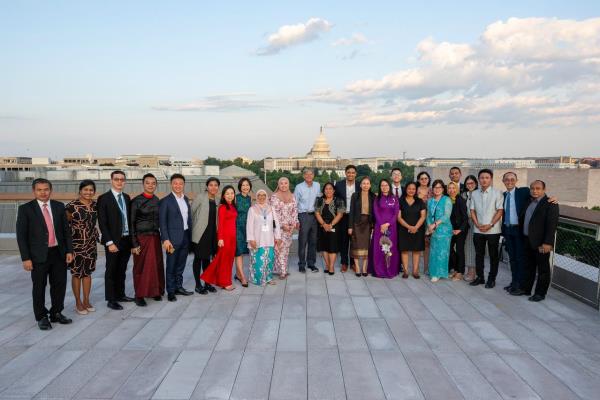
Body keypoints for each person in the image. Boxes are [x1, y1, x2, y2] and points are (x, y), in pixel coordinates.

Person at [17, 178, 73, 330]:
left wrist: (69, 250)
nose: (43, 192)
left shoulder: (59, 206)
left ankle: (56, 313)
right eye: (39, 189)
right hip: (37, 255)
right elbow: (21, 236)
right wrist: (26, 258)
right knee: (39, 287)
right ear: (34, 191)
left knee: (59, 285)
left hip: (58, 253)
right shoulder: (25, 209)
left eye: (46, 189)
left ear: (50, 190)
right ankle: (41, 316)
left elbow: (66, 231)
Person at [97, 170, 133, 310]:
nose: (119, 182)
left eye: (122, 179)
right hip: (113, 241)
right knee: (111, 270)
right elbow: (102, 222)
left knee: (122, 269)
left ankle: (120, 294)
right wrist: (109, 242)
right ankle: (111, 299)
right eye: (116, 179)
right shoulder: (104, 198)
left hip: (126, 239)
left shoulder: (127, 197)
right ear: (111, 181)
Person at [520, 180, 559, 302]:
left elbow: (552, 225)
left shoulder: (550, 204)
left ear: (544, 189)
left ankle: (540, 293)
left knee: (543, 269)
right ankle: (526, 289)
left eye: (538, 188)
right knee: (528, 267)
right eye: (532, 188)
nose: (534, 191)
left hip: (541, 242)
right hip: (527, 239)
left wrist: (548, 243)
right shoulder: (528, 201)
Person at [130, 173, 164, 306]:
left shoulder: (157, 200)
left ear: (156, 185)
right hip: (141, 237)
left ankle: (155, 291)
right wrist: (134, 243)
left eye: (153, 183)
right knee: (141, 267)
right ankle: (139, 294)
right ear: (143, 184)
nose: (150, 185)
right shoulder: (136, 201)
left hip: (155, 237)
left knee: (156, 265)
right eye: (148, 183)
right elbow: (131, 222)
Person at [65, 179, 99, 315]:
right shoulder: (71, 206)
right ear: (80, 191)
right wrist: (68, 248)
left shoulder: (95, 205)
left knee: (88, 273)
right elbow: (64, 228)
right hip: (76, 244)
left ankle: (86, 300)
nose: (88, 192)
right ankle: (78, 301)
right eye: (85, 189)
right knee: (77, 273)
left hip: (90, 243)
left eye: (91, 190)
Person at [159, 173, 193, 302]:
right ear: (171, 184)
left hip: (185, 236)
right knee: (171, 265)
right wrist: (165, 239)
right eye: (175, 183)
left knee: (181, 265)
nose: (178, 185)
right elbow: (162, 223)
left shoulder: (185, 199)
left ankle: (179, 287)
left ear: (184, 185)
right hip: (172, 240)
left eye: (180, 183)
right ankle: (171, 291)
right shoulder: (165, 201)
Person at [469, 169, 504, 288]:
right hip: (478, 229)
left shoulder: (497, 193)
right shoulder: (474, 193)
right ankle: (480, 277)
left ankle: (491, 279)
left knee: (493, 256)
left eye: (487, 177)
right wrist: (477, 224)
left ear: (491, 179)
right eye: (482, 177)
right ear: (478, 179)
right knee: (479, 255)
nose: (484, 179)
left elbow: (500, 211)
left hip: (493, 230)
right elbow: (472, 210)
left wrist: (490, 224)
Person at [201, 185, 237, 290]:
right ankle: (224, 282)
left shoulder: (233, 206)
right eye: (227, 193)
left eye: (232, 193)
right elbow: (220, 224)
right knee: (223, 260)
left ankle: (224, 281)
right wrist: (220, 238)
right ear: (223, 196)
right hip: (224, 238)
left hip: (232, 237)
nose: (230, 195)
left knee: (229, 260)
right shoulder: (222, 207)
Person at [501, 172, 530, 295]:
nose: (509, 181)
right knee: (512, 259)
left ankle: (520, 285)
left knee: (520, 258)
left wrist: (552, 198)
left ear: (516, 180)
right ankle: (514, 282)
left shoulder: (523, 192)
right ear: (503, 181)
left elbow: (538, 194)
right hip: (508, 230)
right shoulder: (503, 195)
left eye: (512, 179)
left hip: (519, 230)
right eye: (507, 179)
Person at [191, 177, 220, 295]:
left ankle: (207, 283)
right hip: (200, 233)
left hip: (212, 233)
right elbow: (191, 213)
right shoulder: (200, 197)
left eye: (215, 185)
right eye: (211, 185)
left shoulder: (217, 200)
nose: (213, 187)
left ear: (218, 187)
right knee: (198, 258)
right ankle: (198, 284)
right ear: (207, 186)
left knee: (207, 259)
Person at [246, 189, 282, 285]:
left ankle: (268, 278)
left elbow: (276, 224)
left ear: (266, 197)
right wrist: (251, 239)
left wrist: (278, 237)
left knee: (269, 259)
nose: (261, 197)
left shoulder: (271, 209)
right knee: (257, 261)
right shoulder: (252, 209)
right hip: (257, 239)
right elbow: (249, 225)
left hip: (269, 239)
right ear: (257, 197)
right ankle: (257, 279)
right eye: (259, 195)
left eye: (263, 195)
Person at [371, 179, 400, 278]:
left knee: (390, 249)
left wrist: (387, 224)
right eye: (382, 185)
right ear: (380, 187)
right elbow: (376, 213)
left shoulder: (394, 198)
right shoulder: (377, 199)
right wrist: (382, 225)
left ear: (389, 186)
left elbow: (395, 214)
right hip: (379, 227)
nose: (384, 187)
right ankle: (379, 270)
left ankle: (390, 270)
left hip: (391, 228)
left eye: (386, 185)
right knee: (379, 249)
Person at [270, 177, 298, 279]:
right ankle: (282, 272)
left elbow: (295, 211)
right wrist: (282, 226)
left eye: (286, 183)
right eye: (281, 183)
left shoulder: (293, 196)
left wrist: (293, 224)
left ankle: (282, 269)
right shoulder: (274, 197)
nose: (283, 185)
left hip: (289, 229)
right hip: (279, 229)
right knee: (279, 249)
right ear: (278, 185)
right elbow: (274, 214)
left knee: (285, 250)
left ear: (288, 184)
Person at [315, 182, 345, 275]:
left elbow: (340, 214)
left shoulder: (339, 200)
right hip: (322, 225)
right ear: (324, 191)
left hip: (335, 226)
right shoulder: (319, 200)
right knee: (324, 246)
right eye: (326, 189)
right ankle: (327, 265)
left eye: (330, 189)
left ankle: (331, 266)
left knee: (332, 247)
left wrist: (331, 225)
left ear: (334, 190)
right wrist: (324, 224)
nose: (328, 190)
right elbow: (317, 213)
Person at [426, 180, 453, 282]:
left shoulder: (447, 200)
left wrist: (435, 224)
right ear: (432, 189)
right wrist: (429, 226)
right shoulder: (430, 201)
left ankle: (439, 273)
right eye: (435, 187)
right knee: (433, 251)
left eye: (439, 188)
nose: (437, 189)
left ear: (443, 189)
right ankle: (433, 271)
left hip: (444, 230)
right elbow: (428, 215)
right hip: (433, 230)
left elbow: (446, 216)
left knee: (442, 252)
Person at [294, 168, 321, 273]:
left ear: (313, 175)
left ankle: (311, 263)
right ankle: (301, 264)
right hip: (303, 216)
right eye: (307, 174)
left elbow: (319, 200)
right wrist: (296, 219)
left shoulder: (317, 185)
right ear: (303, 176)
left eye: (311, 174)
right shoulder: (299, 187)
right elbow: (295, 204)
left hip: (315, 215)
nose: (309, 176)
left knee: (313, 242)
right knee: (303, 241)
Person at [398, 182, 427, 278]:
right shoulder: (400, 201)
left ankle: (415, 271)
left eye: (413, 189)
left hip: (418, 229)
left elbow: (423, 216)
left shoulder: (420, 201)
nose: (411, 190)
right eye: (409, 188)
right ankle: (406, 271)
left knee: (416, 250)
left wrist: (415, 227)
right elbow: (399, 217)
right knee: (404, 250)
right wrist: (409, 227)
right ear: (406, 189)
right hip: (403, 229)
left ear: (416, 190)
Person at [334, 165, 360, 273]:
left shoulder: (359, 185)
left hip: (356, 217)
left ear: (356, 174)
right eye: (348, 172)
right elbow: (335, 199)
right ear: (345, 173)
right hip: (343, 216)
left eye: (353, 172)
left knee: (354, 241)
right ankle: (344, 263)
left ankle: (353, 263)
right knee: (343, 240)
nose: (350, 174)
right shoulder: (339, 185)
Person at [348, 176, 375, 277]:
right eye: (364, 183)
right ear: (360, 185)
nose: (365, 185)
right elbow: (351, 212)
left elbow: (375, 212)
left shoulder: (373, 196)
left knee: (366, 245)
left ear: (370, 185)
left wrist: (374, 225)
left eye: (367, 183)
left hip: (368, 223)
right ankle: (357, 267)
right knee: (356, 245)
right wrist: (350, 226)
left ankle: (364, 267)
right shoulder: (355, 195)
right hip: (356, 223)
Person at [447, 181, 469, 281]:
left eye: (453, 188)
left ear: (457, 189)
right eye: (449, 188)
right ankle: (456, 269)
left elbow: (465, 218)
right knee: (450, 249)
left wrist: (459, 229)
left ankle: (460, 272)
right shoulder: (447, 200)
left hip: (461, 229)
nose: (452, 190)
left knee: (460, 250)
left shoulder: (461, 200)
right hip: (451, 229)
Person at [234, 178, 252, 287]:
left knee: (241, 251)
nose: (245, 187)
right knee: (238, 252)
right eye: (243, 185)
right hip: (237, 228)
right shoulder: (236, 198)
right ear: (240, 186)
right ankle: (242, 277)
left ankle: (237, 274)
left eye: (247, 185)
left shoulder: (250, 198)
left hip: (247, 228)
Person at [461, 175, 478, 281]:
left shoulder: (479, 194)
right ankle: (468, 270)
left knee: (474, 248)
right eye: (468, 183)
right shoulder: (463, 195)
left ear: (476, 184)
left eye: (472, 183)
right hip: (466, 223)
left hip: (476, 223)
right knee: (467, 248)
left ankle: (473, 272)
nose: (470, 185)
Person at [416, 171, 433, 274]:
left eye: (426, 178)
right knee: (417, 245)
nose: (424, 180)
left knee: (427, 245)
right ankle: (415, 268)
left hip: (429, 221)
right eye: (421, 179)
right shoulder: (414, 190)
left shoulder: (432, 191)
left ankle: (426, 268)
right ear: (418, 180)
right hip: (416, 220)